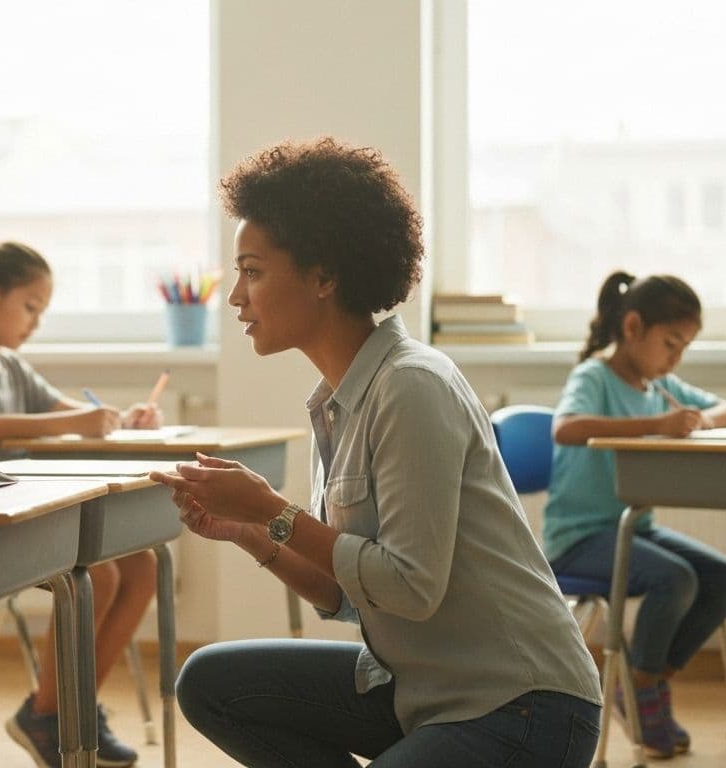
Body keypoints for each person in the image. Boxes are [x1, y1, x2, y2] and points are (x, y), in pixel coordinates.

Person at [150, 137, 604, 767]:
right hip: (424, 689)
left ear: (323, 277)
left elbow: (410, 587)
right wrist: (253, 530)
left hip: (521, 706)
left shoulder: (411, 386)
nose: (235, 298)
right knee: (211, 683)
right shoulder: (338, 401)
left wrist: (274, 510)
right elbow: (345, 590)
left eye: (252, 272)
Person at [0, 242, 160, 767]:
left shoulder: (11, 367)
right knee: (103, 574)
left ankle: (66, 711)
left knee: (142, 565)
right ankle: (51, 717)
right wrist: (77, 423)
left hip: (20, 512)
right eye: (30, 307)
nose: (35, 323)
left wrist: (120, 417)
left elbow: (73, 410)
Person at [544, 271, 726, 758]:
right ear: (632, 327)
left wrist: (696, 420)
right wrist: (657, 425)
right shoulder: (594, 375)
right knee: (674, 579)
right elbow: (566, 428)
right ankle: (639, 686)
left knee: (725, 579)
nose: (675, 358)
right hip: (577, 539)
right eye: (670, 343)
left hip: (635, 528)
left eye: (684, 348)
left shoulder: (661, 383)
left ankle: (643, 682)